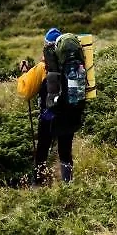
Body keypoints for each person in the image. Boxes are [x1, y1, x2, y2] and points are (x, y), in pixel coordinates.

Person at [17, 27, 86, 185]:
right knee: (65, 151)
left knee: (42, 149)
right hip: (71, 113)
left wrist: (24, 74)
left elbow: (24, 91)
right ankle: (67, 183)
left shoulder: (43, 67)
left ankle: (38, 182)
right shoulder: (75, 64)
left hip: (49, 115)